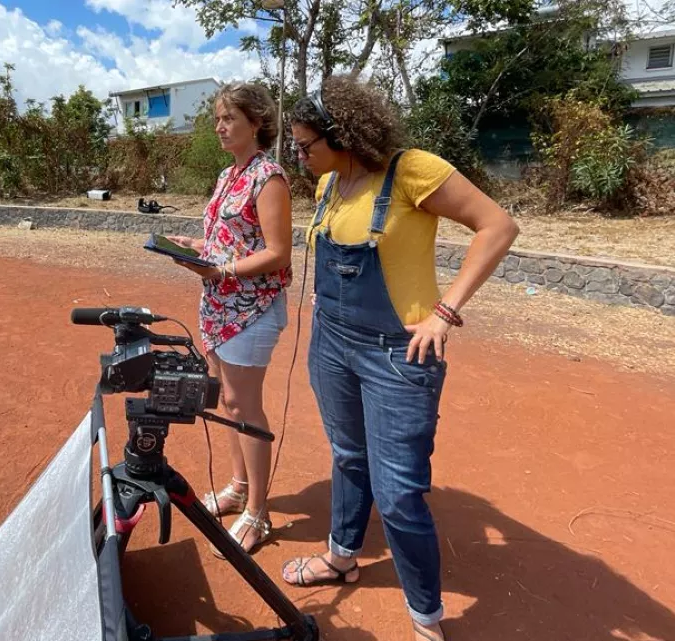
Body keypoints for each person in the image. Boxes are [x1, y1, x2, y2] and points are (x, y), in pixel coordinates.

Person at [278, 76, 519, 641]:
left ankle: (426, 619)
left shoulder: (411, 170)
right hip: (331, 344)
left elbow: (498, 227)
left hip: (396, 355)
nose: (299, 155)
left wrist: (445, 313)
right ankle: (342, 555)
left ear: (341, 136)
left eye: (305, 145)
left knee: (399, 493)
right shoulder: (328, 185)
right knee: (346, 456)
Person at [166, 82, 293, 555]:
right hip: (219, 306)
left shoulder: (269, 177)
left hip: (252, 309)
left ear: (256, 122)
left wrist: (219, 268)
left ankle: (257, 513)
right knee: (226, 403)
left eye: (229, 118)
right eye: (217, 118)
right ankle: (239, 487)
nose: (219, 126)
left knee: (245, 408)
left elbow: (279, 255)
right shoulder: (228, 175)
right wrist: (195, 248)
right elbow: (227, 240)